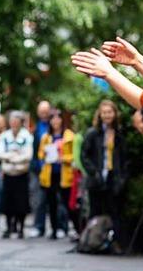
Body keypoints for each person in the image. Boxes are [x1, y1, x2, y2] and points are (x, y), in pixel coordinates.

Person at [81, 101, 129, 250]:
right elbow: (84, 156)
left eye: (110, 112)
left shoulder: (119, 134)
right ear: (100, 115)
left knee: (115, 213)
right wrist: (94, 172)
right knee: (94, 212)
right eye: (104, 112)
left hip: (113, 179)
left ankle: (114, 243)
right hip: (97, 179)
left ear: (114, 114)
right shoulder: (92, 133)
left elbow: (126, 159)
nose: (107, 115)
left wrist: (122, 179)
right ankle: (92, 243)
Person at [37, 110, 75, 240]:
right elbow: (40, 154)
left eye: (58, 118)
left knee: (67, 203)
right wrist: (47, 154)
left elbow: (74, 155)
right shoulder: (46, 137)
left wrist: (63, 158)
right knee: (51, 203)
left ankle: (71, 228)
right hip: (50, 174)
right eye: (52, 119)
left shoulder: (69, 135)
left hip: (65, 173)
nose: (55, 121)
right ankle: (53, 230)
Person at [0, 111, 33, 239]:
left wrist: (10, 159)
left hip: (21, 174)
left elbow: (28, 155)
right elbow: (0, 153)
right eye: (12, 121)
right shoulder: (5, 136)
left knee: (21, 203)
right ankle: (8, 227)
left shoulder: (26, 136)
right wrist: (15, 157)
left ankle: (20, 228)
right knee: (7, 202)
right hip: (8, 174)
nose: (14, 124)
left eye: (16, 121)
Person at [30, 101, 51, 237]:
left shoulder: (55, 125)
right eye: (41, 111)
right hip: (39, 169)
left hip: (54, 168)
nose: (44, 114)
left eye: (46, 111)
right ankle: (39, 226)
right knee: (39, 199)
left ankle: (60, 227)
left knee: (57, 199)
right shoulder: (37, 128)